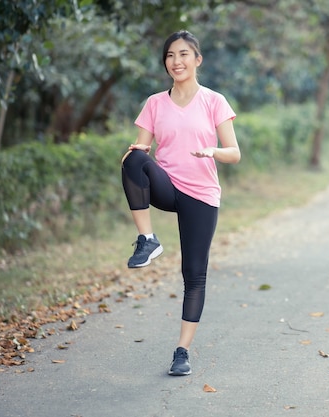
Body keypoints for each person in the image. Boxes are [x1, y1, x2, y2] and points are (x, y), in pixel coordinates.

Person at [120, 30, 240, 376]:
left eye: (184, 54)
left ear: (197, 60)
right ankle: (147, 240)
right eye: (171, 55)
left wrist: (213, 151)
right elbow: (142, 151)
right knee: (133, 159)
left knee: (194, 274)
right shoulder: (155, 103)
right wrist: (130, 159)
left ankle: (182, 352)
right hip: (168, 186)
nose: (177, 61)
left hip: (201, 195)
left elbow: (235, 153)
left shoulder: (214, 101)